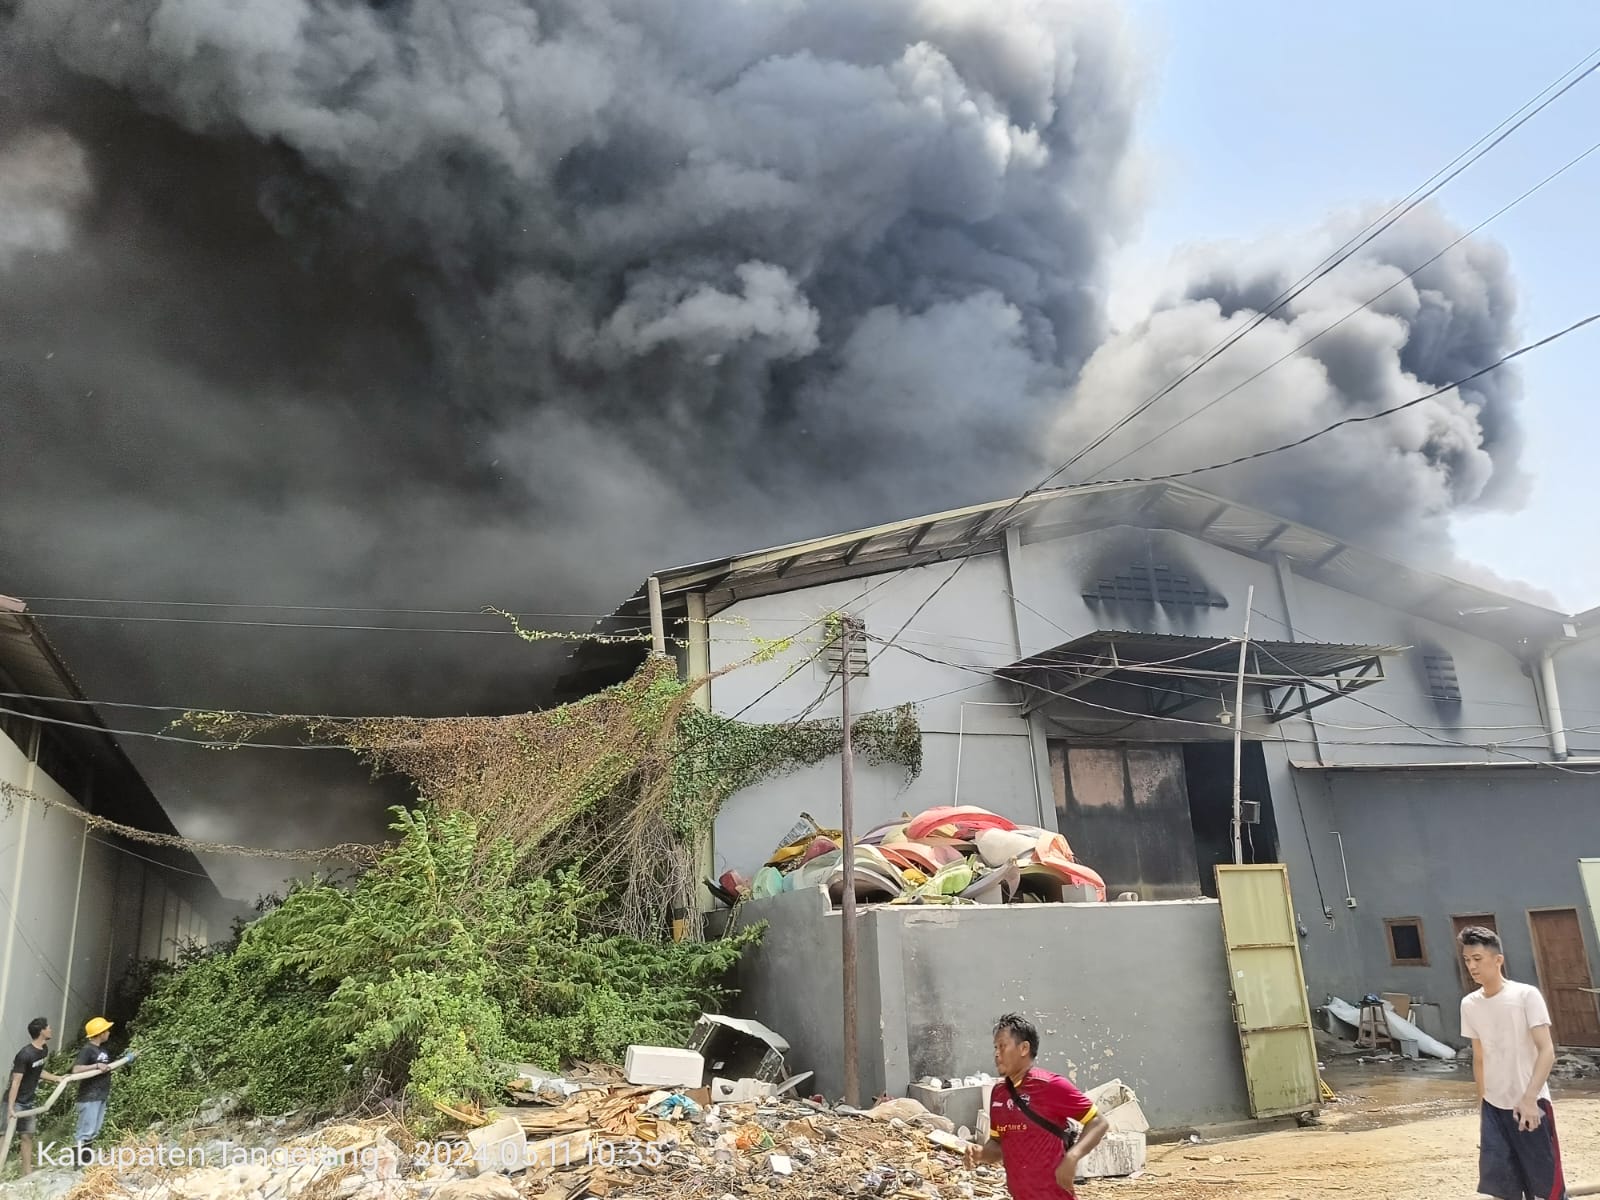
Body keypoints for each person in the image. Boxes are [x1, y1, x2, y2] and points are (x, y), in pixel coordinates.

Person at [1458, 925, 1568, 1200]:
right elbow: (1480, 1057)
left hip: (1530, 1105)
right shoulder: (1469, 1004)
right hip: (1495, 1108)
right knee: (1503, 1189)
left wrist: (1530, 1099)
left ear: (1498, 960)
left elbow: (1546, 1050)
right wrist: (1482, 1103)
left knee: (1546, 1189)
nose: (1472, 966)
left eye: (1478, 959)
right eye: (1467, 960)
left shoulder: (1525, 995)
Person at [965, 1012, 1110, 1200]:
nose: (996, 1053)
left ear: (1024, 1048)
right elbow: (999, 1145)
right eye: (995, 1047)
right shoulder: (998, 1093)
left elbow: (1099, 1122)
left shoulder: (1051, 1085)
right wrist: (981, 1153)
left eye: (1002, 1046)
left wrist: (1072, 1157)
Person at [7, 1017, 68, 1176]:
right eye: (48, 1027)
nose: (50, 1029)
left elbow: (38, 1071)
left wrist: (56, 1078)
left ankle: (26, 1173)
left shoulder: (44, 1050)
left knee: (27, 1137)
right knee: (4, 1136)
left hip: (29, 1101)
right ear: (41, 1031)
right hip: (14, 1101)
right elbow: (16, 1081)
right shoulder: (25, 1054)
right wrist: (11, 1108)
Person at [73, 1017, 117, 1164]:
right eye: (106, 1030)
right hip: (89, 1096)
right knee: (85, 1131)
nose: (109, 1032)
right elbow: (76, 1070)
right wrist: (96, 1066)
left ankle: (86, 1162)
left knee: (94, 1130)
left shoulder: (102, 1050)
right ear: (100, 1033)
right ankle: (78, 1163)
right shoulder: (87, 1050)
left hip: (101, 1095)